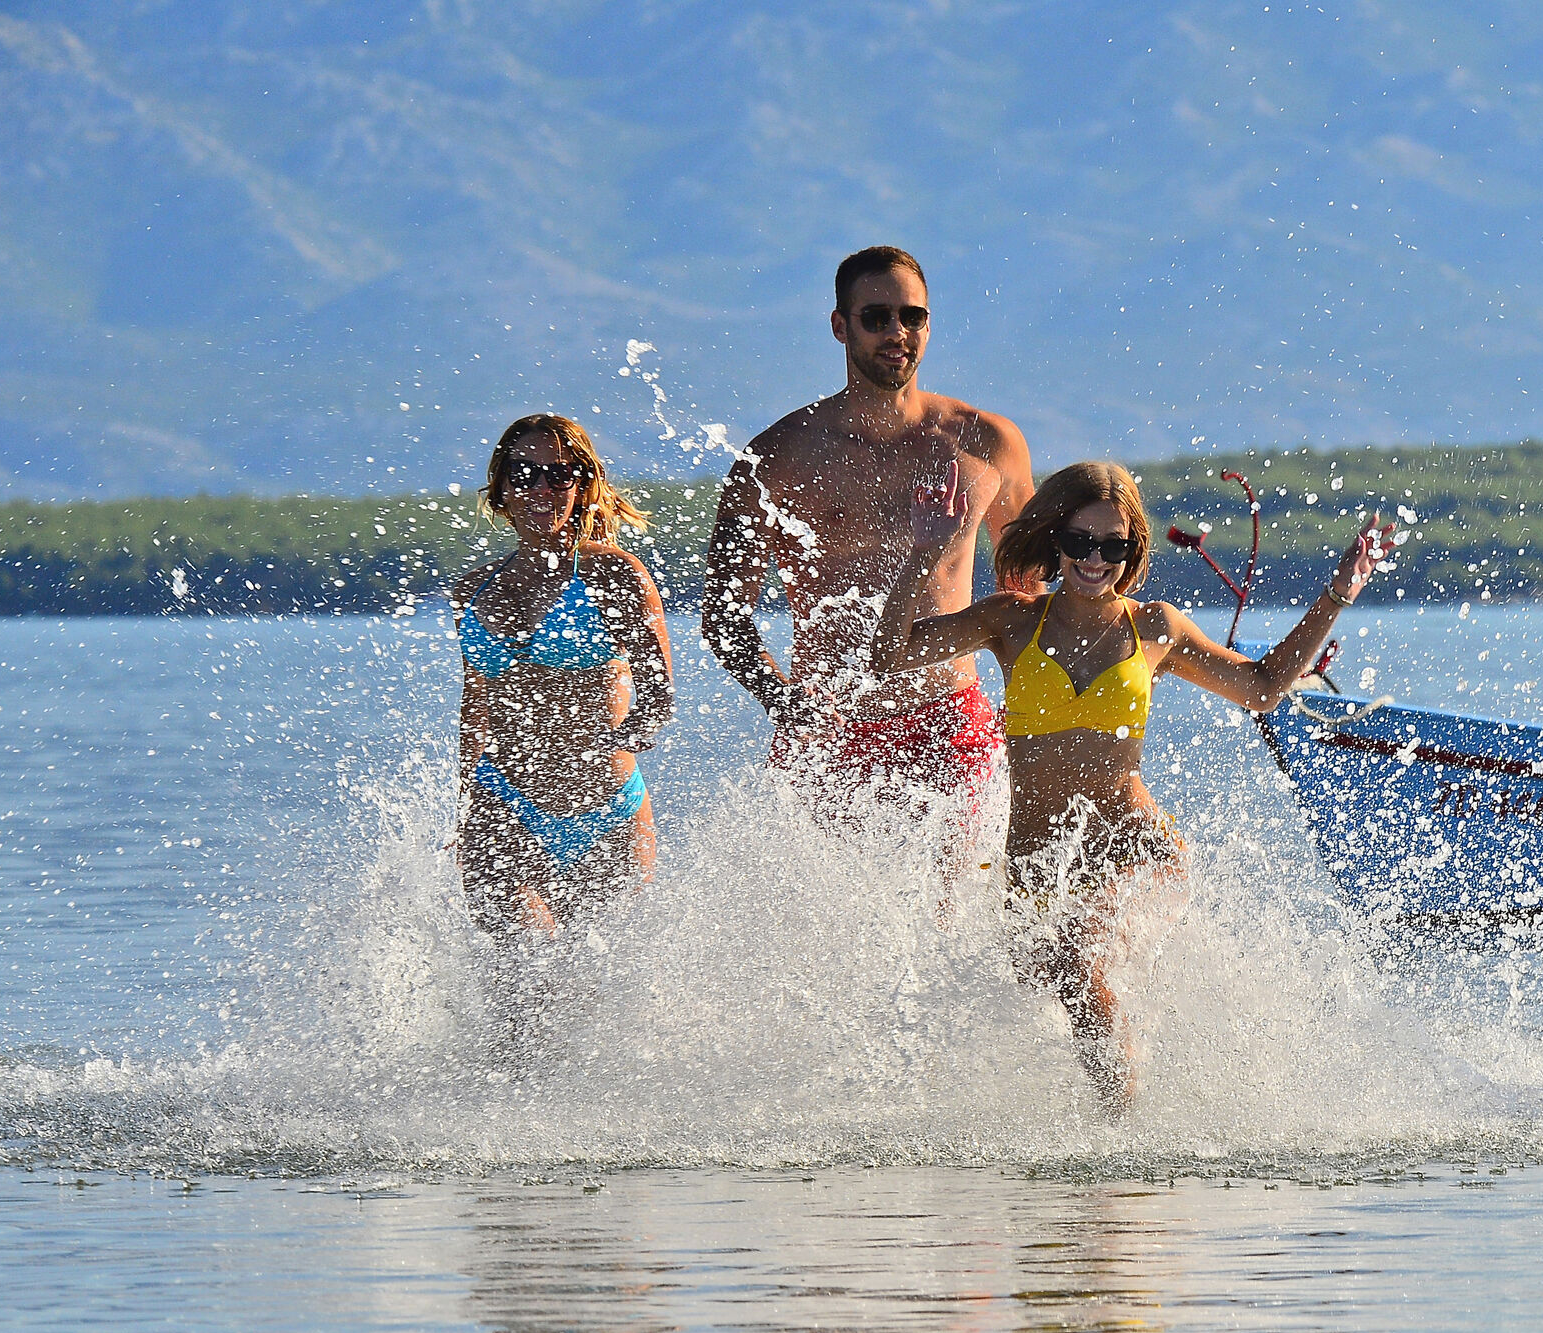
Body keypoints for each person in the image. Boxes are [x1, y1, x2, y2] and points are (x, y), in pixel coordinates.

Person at [877, 458, 1390, 1110]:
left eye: (1112, 546)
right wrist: (925, 553)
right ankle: (1110, 1138)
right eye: (1081, 542)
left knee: (1077, 966)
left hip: (1135, 848)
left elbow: (1261, 689)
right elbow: (885, 658)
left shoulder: (1155, 629)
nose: (1096, 559)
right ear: (1056, 540)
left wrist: (1339, 593)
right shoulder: (1011, 620)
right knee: (1051, 992)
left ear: (1133, 549)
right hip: (1036, 863)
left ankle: (1120, 1153)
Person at [698, 245, 1035, 863]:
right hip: (828, 727)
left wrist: (1042, 709)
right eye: (876, 317)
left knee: (950, 920)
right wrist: (786, 704)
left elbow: (1030, 590)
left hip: (951, 720)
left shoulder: (987, 444)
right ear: (840, 326)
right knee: (826, 939)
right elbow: (723, 612)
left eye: (912, 317)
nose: (897, 333)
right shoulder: (778, 458)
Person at [450, 414, 673, 960]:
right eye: (525, 474)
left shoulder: (616, 576)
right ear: (500, 487)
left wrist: (594, 745)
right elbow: (475, 707)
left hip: (606, 813)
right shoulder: (473, 588)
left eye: (560, 474)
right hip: (502, 806)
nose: (543, 488)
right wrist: (460, 809)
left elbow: (659, 700)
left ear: (584, 485)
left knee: (599, 997)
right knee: (524, 985)